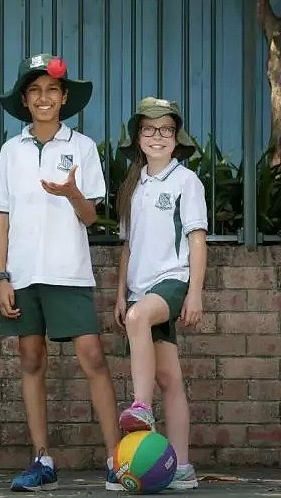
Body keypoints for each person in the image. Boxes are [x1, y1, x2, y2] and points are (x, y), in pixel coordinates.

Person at [0, 53, 122, 492]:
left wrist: (71, 193)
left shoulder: (82, 147)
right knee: (30, 359)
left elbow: (90, 218)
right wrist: (1, 275)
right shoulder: (10, 151)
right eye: (35, 91)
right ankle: (42, 458)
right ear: (25, 100)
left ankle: (116, 458)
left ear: (64, 97)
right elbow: (2, 218)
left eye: (51, 90)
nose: (44, 98)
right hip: (23, 275)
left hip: (69, 272)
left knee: (94, 358)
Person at [114, 96, 207, 490]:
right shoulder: (133, 186)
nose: (157, 136)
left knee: (139, 318)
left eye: (165, 130)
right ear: (138, 137)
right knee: (170, 378)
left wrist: (195, 293)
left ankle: (140, 407)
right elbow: (128, 246)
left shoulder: (187, 181)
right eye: (149, 129)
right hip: (137, 288)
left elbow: (198, 240)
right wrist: (120, 294)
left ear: (176, 137)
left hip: (171, 282)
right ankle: (182, 466)